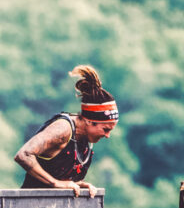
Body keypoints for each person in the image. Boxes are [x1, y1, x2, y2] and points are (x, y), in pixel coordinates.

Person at [14, 65, 118, 197]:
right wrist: (55, 183)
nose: (107, 135)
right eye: (105, 129)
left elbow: (61, 176)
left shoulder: (85, 138)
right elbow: (23, 155)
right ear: (89, 121)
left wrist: (78, 184)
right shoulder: (63, 129)